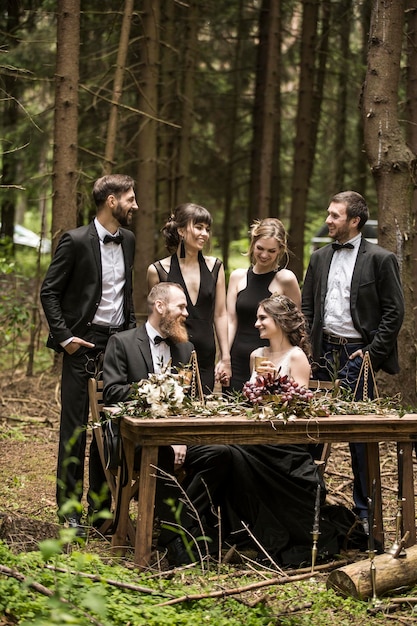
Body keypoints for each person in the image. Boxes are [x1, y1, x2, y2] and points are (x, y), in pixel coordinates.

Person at [224, 295, 366, 566]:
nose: (256, 324)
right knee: (227, 453)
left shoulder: (297, 357)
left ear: (279, 321)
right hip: (254, 437)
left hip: (284, 444)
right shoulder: (256, 355)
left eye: (262, 318)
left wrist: (271, 383)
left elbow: (297, 411)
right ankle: (241, 533)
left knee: (235, 454)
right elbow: (247, 402)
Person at [103, 282, 232, 566]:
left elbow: (191, 401)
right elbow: (112, 391)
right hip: (134, 440)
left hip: (178, 439)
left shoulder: (186, 349)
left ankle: (175, 530)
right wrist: (155, 390)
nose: (186, 313)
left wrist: (181, 437)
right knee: (158, 455)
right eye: (181, 306)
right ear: (160, 307)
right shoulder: (122, 342)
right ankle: (185, 546)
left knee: (221, 453)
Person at [40, 174, 139, 536]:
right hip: (82, 343)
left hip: (117, 346)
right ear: (111, 201)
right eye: (130, 198)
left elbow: (125, 294)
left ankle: (101, 509)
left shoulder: (128, 239)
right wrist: (65, 338)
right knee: (76, 428)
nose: (135, 205)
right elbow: (49, 291)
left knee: (109, 425)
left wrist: (129, 336)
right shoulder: (76, 240)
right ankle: (69, 510)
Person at [302, 190, 405, 526]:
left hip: (356, 355)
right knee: (313, 432)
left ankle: (365, 516)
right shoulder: (318, 258)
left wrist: (372, 355)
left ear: (354, 220)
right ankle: (309, 506)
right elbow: (306, 308)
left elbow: (394, 312)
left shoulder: (381, 259)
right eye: (329, 214)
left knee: (360, 438)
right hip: (322, 354)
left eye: (335, 215)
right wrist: (306, 349)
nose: (328, 220)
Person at [146, 203, 230, 394]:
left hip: (207, 356)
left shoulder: (215, 267)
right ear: (182, 231)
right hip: (172, 353)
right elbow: (155, 320)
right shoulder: (158, 270)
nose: (205, 234)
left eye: (207, 229)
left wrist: (225, 357)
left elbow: (220, 314)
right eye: (199, 227)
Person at [226, 218, 301, 392]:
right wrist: (224, 358)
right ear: (253, 244)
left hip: (269, 361)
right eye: (260, 248)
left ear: (280, 250)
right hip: (237, 358)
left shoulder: (286, 279)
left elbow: (295, 325)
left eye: (271, 250)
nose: (264, 255)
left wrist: (286, 361)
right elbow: (230, 320)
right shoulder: (238, 276)